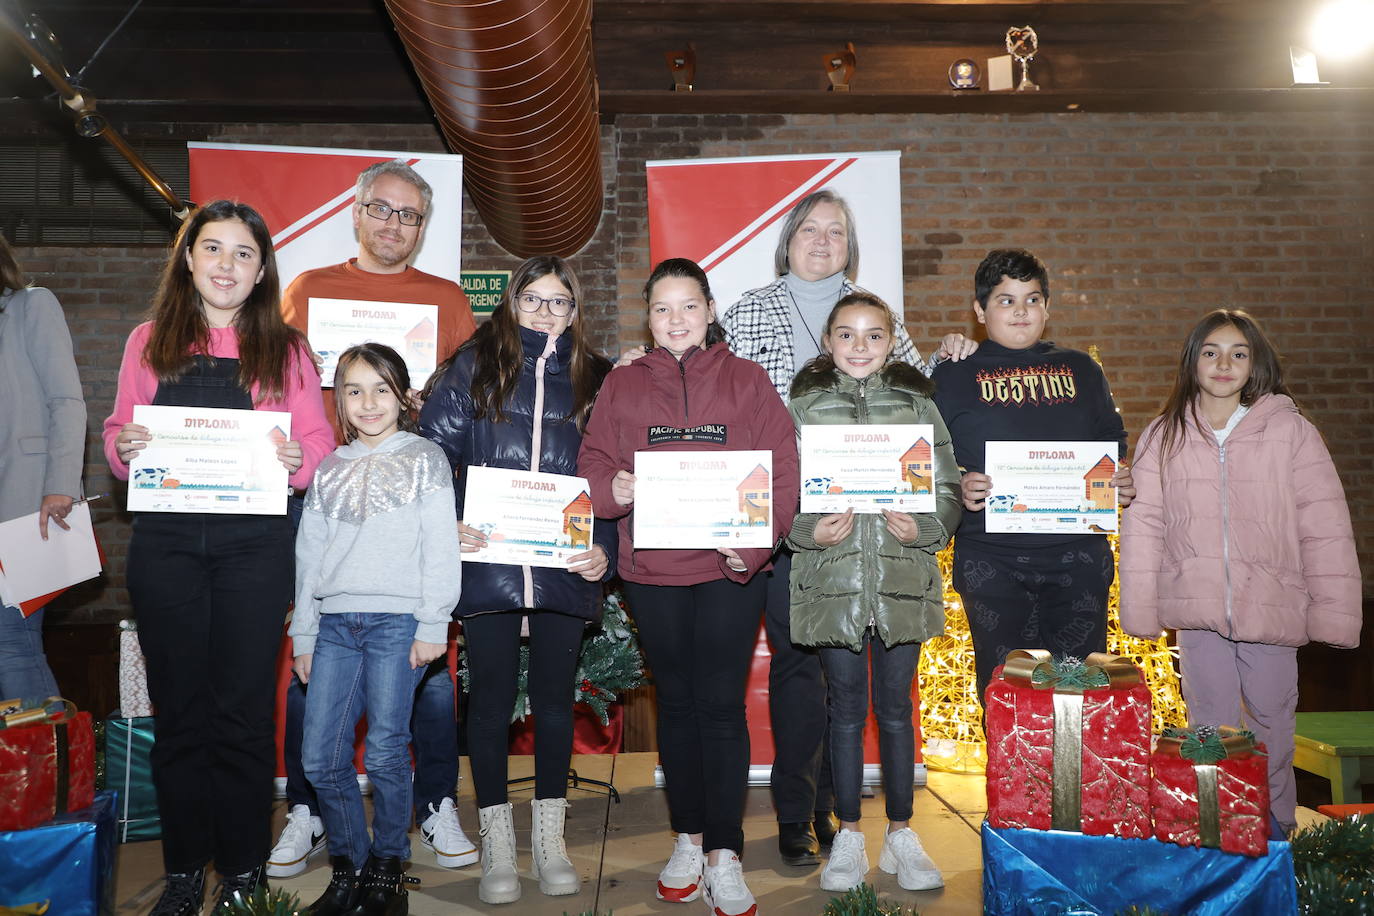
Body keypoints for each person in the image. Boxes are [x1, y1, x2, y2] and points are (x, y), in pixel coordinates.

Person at [719, 189, 975, 865]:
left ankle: (850, 820)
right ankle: (798, 815)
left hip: (886, 547)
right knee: (803, 681)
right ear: (787, 239)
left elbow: (920, 410)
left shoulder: (876, 312)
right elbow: (717, 394)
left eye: (836, 230)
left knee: (869, 698)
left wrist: (956, 356)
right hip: (796, 531)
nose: (823, 240)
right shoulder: (748, 311)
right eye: (810, 229)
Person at [103, 201, 335, 914]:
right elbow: (116, 432)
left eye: (242, 253)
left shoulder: (288, 349)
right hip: (167, 548)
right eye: (213, 249)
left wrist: (299, 462)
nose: (226, 265)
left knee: (240, 716)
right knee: (180, 718)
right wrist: (125, 449)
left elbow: (320, 443)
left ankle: (241, 870)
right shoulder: (149, 340)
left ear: (262, 269)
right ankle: (182, 871)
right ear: (189, 258)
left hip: (254, 553)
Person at [272, 159, 479, 877]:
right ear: (356, 214)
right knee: (310, 694)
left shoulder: (447, 301)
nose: (394, 224)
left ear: (423, 227)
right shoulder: (307, 290)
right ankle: (307, 809)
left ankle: (431, 805)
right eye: (381, 210)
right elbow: (279, 388)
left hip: (414, 506)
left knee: (421, 690)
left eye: (410, 215)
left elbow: (470, 404)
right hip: (323, 493)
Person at [579, 258, 799, 916]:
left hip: (731, 572)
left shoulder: (747, 380)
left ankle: (724, 854)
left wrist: (755, 545)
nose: (676, 319)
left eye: (689, 306)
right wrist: (609, 490)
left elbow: (783, 469)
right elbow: (593, 459)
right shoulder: (623, 386)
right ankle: (687, 837)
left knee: (721, 706)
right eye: (663, 309)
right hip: (654, 574)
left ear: (709, 310)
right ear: (649, 318)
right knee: (677, 705)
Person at [419, 256, 615, 905]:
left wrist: (603, 551)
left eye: (559, 302)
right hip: (490, 563)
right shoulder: (474, 365)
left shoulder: (596, 377)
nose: (546, 311)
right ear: (511, 303)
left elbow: (612, 480)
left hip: (563, 567)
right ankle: (499, 847)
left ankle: (551, 842)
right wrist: (448, 523)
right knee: (492, 702)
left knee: (557, 704)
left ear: (575, 310)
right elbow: (430, 454)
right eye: (534, 299)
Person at [1120, 309, 1361, 836]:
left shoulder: (1291, 431)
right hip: (1197, 611)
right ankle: (1222, 834)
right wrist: (1139, 607)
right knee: (1210, 727)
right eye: (1211, 352)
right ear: (1193, 362)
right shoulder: (1164, 435)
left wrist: (1334, 615)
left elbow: (1323, 524)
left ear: (1255, 365)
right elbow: (1146, 524)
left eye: (1238, 353)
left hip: (1272, 607)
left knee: (1273, 727)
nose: (1223, 363)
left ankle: (1274, 835)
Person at [786, 293, 961, 893]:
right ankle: (850, 837)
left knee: (895, 711)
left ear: (892, 342)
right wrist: (808, 528)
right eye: (846, 335)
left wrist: (928, 526)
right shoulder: (803, 407)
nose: (860, 348)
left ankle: (902, 834)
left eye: (873, 336)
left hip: (900, 578)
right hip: (831, 579)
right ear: (828, 342)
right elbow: (782, 490)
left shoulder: (918, 405)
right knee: (843, 710)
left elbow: (949, 483)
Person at [291, 343, 462, 915]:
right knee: (321, 758)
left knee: (387, 752)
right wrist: (305, 635)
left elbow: (442, 548)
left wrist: (434, 622)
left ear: (402, 395)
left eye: (381, 389)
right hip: (335, 625)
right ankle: (351, 867)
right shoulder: (329, 469)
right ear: (338, 398)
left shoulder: (425, 458)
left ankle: (388, 870)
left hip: (400, 622)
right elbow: (309, 558)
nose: (368, 402)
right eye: (354, 390)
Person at [932, 248, 1134, 701]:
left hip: (1077, 555)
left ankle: (1073, 775)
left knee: (1080, 692)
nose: (1021, 311)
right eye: (1006, 300)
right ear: (980, 311)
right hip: (992, 557)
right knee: (1005, 691)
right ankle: (1013, 776)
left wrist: (1120, 477)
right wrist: (960, 482)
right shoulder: (953, 375)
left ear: (1048, 308)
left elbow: (1111, 438)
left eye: (1032, 299)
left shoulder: (1083, 369)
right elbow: (930, 457)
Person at [0, 233, 86, 699]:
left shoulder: (30, 307)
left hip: (26, 505)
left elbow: (67, 401)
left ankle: (43, 770)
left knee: (12, 644)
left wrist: (60, 486)